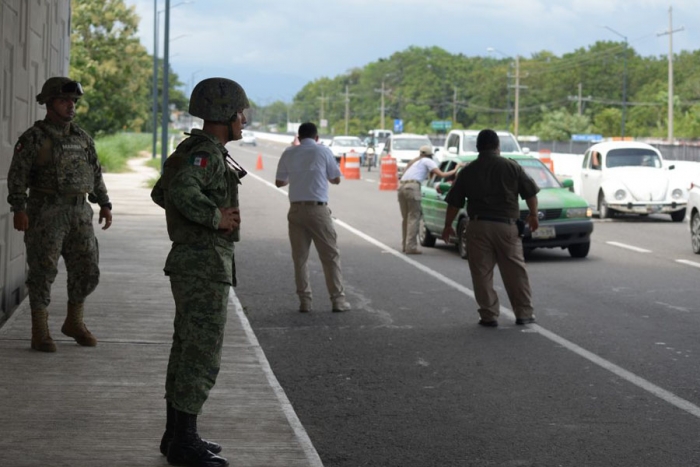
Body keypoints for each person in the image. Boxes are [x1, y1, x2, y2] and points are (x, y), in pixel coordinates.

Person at [151, 77, 249, 467]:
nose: (243, 119)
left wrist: (194, 219)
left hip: (192, 262)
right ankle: (183, 443)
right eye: (240, 112)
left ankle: (176, 434)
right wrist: (214, 217)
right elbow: (177, 192)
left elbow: (162, 191)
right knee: (200, 354)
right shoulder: (205, 155)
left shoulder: (192, 150)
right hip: (204, 264)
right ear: (225, 113)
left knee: (185, 349)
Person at [6, 77, 113, 353]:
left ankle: (74, 322)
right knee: (43, 270)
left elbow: (95, 173)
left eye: (73, 102)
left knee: (87, 268)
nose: (71, 106)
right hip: (46, 212)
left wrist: (104, 203)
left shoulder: (82, 137)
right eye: (65, 101)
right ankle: (40, 331)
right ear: (49, 103)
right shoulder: (34, 138)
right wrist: (19, 208)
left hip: (80, 212)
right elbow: (17, 176)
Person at [441, 129, 539, 327]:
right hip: (506, 227)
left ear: (478, 147)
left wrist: (447, 226)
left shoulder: (468, 171)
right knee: (515, 272)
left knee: (481, 273)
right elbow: (530, 193)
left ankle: (488, 315)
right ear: (497, 146)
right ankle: (523, 313)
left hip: (478, 226)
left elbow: (454, 203)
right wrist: (533, 214)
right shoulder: (512, 167)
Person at [275, 122, 350, 313]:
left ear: (298, 138)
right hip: (318, 211)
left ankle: (305, 302)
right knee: (330, 256)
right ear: (317, 138)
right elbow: (336, 179)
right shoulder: (323, 151)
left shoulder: (289, 152)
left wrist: (298, 175)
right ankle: (338, 301)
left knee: (300, 258)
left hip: (296, 211)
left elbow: (279, 182)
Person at [398, 145, 460, 254]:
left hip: (401, 187)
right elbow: (441, 174)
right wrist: (456, 168)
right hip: (413, 187)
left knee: (406, 218)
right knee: (414, 217)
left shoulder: (414, 162)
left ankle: (405, 245)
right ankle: (411, 247)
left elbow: (404, 172)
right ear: (430, 155)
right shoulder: (427, 160)